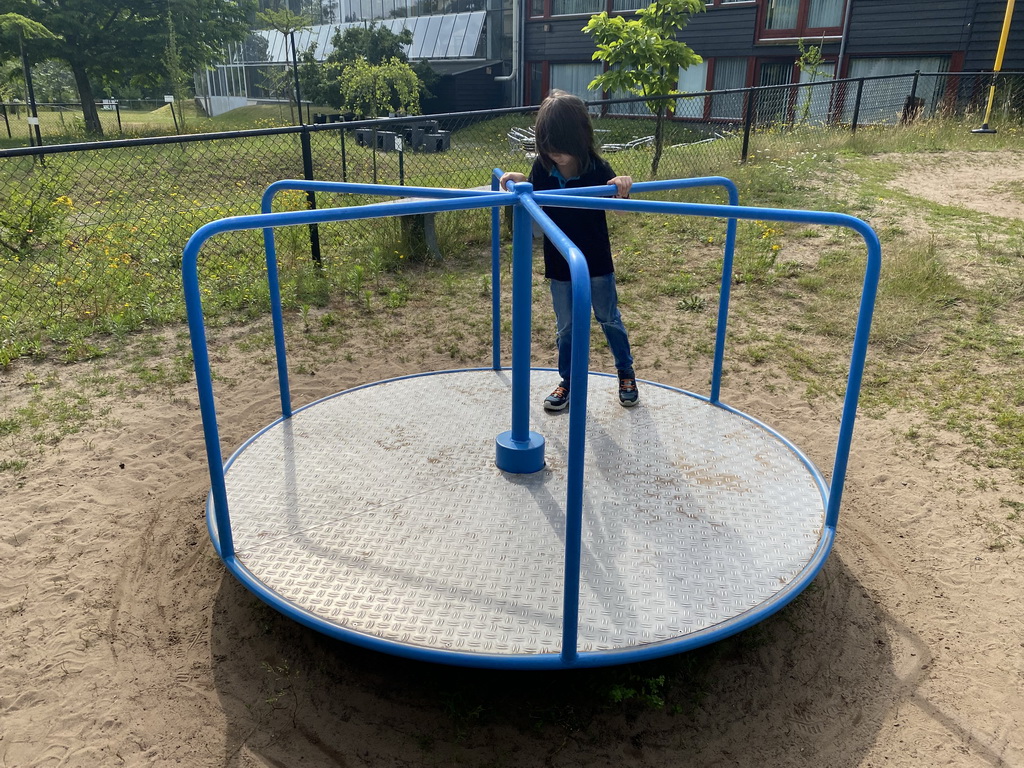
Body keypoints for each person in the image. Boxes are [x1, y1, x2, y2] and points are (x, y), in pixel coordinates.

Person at [499, 89, 638, 411]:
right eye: (547, 149)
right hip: (560, 264)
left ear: (579, 140)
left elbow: (621, 210)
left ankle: (626, 373)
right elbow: (531, 195)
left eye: (560, 150)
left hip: (596, 262)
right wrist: (521, 179)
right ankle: (568, 381)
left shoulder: (596, 168)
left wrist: (622, 187)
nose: (554, 156)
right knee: (566, 327)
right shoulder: (543, 167)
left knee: (608, 318)